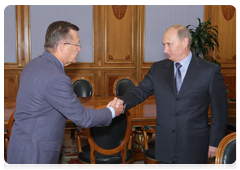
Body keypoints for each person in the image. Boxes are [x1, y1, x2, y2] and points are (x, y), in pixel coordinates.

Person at [5, 21, 124, 169]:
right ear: (63, 47)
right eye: (77, 44)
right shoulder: (56, 77)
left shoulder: (34, 64)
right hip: (35, 154)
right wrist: (112, 111)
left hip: (21, 146)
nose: (80, 49)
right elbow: (83, 118)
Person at [116, 25, 228, 168]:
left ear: (185, 42)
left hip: (193, 145)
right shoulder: (158, 69)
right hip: (166, 144)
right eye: (164, 45)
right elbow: (140, 91)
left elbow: (221, 110)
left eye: (169, 44)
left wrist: (215, 142)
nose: (165, 50)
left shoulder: (209, 71)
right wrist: (121, 102)